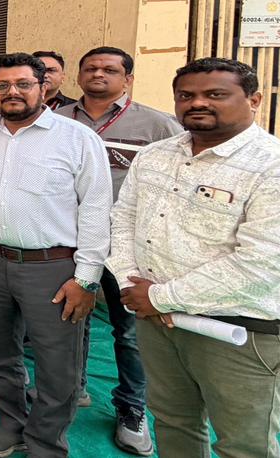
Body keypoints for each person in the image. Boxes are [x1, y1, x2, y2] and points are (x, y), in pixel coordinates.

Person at [110, 57, 280, 458]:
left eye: (215, 94)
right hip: (159, 323)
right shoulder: (156, 155)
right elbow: (123, 220)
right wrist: (130, 283)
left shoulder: (279, 168)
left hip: (240, 331)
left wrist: (160, 297)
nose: (197, 103)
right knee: (173, 422)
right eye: (186, 95)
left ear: (254, 100)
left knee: (244, 446)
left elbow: (262, 263)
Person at [0, 53, 112, 457]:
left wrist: (86, 279)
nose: (12, 92)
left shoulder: (76, 138)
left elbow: (97, 208)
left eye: (23, 84)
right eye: (2, 86)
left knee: (56, 362)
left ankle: (46, 443)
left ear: (44, 87)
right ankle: (11, 424)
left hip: (53, 267)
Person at [54, 45, 182, 456]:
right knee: (70, 319)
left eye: (110, 70)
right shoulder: (56, 120)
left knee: (129, 331)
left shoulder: (158, 125)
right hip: (69, 241)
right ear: (78, 76)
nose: (99, 74)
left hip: (127, 246)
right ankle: (72, 390)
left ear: (128, 79)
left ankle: (131, 408)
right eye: (91, 68)